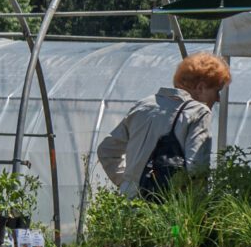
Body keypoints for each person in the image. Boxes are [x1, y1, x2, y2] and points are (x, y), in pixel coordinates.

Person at [96, 53, 231, 195]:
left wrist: (127, 182)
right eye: (217, 90)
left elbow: (106, 150)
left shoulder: (144, 105)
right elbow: (196, 168)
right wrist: (200, 210)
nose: (217, 98)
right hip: (167, 207)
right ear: (201, 87)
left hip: (128, 203)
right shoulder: (198, 112)